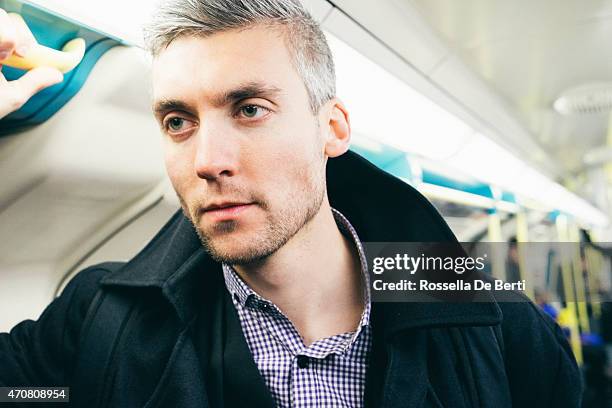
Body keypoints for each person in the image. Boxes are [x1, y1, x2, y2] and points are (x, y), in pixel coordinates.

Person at [0, 1, 582, 407]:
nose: (208, 159)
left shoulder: (497, 326)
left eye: (249, 109)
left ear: (331, 129)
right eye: (179, 121)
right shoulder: (98, 325)